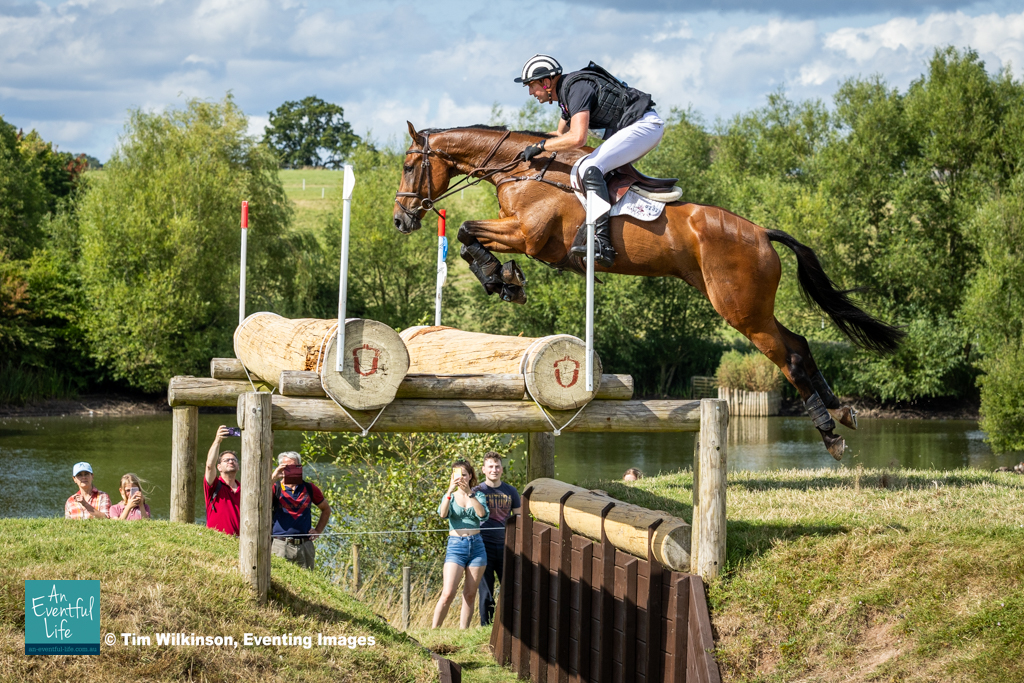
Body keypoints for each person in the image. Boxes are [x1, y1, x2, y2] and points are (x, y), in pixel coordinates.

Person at [515, 54, 664, 269]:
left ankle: (602, 242)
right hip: (639, 128)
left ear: (546, 82)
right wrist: (525, 142)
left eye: (531, 86)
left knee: (589, 168)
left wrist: (540, 147)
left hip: (645, 127)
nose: (530, 92)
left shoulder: (576, 89)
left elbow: (577, 138)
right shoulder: (567, 94)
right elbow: (559, 135)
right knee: (589, 166)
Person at [433, 460, 489, 629]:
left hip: (477, 546)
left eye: (464, 475)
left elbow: (482, 514)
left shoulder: (478, 495)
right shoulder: (449, 496)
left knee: (470, 594)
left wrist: (470, 494)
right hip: (456, 546)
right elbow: (443, 514)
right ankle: (434, 630)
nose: (461, 478)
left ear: (470, 476)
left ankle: (463, 631)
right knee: (448, 593)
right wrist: (449, 491)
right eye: (457, 475)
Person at [472, 451, 521, 626]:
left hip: (506, 545)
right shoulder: (477, 491)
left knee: (510, 588)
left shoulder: (511, 491)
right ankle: (486, 626)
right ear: (483, 469)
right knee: (486, 591)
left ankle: (510, 625)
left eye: (497, 466)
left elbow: (519, 518)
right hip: (483, 546)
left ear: (502, 469)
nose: (494, 470)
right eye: (490, 466)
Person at [270, 451, 331, 569]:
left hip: (305, 545)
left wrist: (318, 531)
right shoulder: (275, 487)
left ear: (300, 467)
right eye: (287, 467)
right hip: (280, 544)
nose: (291, 469)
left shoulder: (309, 488)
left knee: (307, 579)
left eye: (295, 466)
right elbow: (259, 502)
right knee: (279, 578)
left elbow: (326, 509)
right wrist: (273, 478)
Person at [204, 425, 241, 536]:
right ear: (219, 467)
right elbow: (209, 465)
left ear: (238, 466)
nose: (231, 461)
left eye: (234, 460)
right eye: (226, 460)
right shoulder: (214, 485)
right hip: (217, 540)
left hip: (241, 541)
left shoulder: (244, 489)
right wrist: (217, 441)